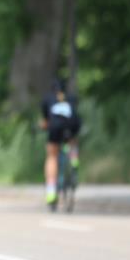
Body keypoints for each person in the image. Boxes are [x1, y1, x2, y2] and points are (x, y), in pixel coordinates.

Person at [40, 78, 81, 206]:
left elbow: (46, 121)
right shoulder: (72, 98)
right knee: (72, 140)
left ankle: (51, 192)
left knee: (52, 156)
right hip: (72, 126)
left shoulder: (48, 99)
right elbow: (75, 115)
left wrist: (43, 126)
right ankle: (74, 159)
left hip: (55, 128)